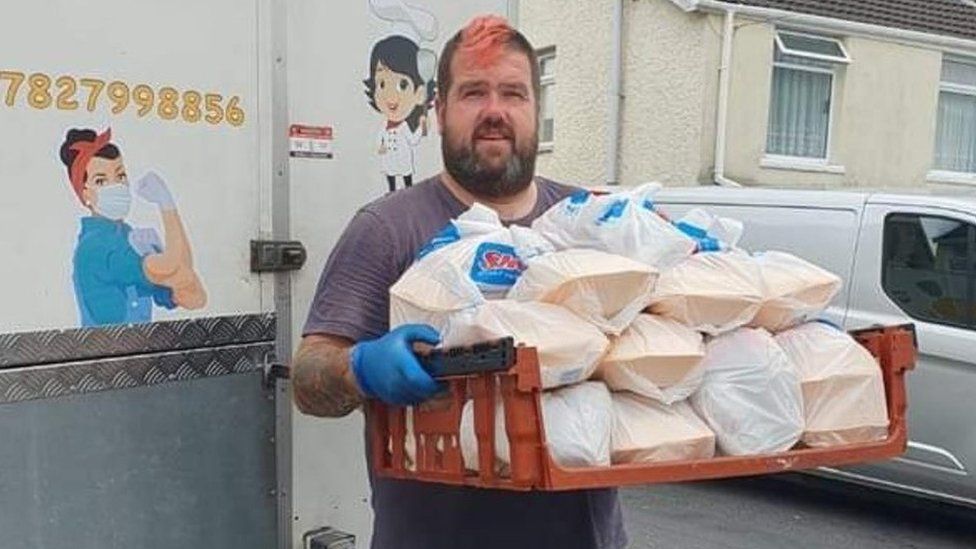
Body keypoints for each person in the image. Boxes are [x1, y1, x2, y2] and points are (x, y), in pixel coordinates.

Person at [292, 15, 626, 549]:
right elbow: (309, 380)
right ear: (440, 110)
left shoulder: (590, 223)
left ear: (537, 111)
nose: (495, 111)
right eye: (474, 92)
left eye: (513, 93)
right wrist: (358, 368)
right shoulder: (387, 229)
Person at [60, 127, 207, 327]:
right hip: (107, 353)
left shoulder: (128, 236)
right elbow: (173, 266)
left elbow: (194, 297)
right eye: (101, 180)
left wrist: (168, 263)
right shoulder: (95, 247)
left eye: (120, 176)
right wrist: (166, 206)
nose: (116, 186)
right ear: (86, 193)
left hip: (139, 349)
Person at [365, 34, 436, 192]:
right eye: (382, 84)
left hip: (402, 157)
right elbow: (380, 139)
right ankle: (391, 192)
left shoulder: (404, 126)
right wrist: (381, 146)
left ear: (419, 94)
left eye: (403, 85)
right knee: (391, 176)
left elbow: (413, 140)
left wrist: (422, 127)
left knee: (405, 176)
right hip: (389, 158)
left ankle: (408, 191)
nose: (390, 96)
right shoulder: (384, 126)